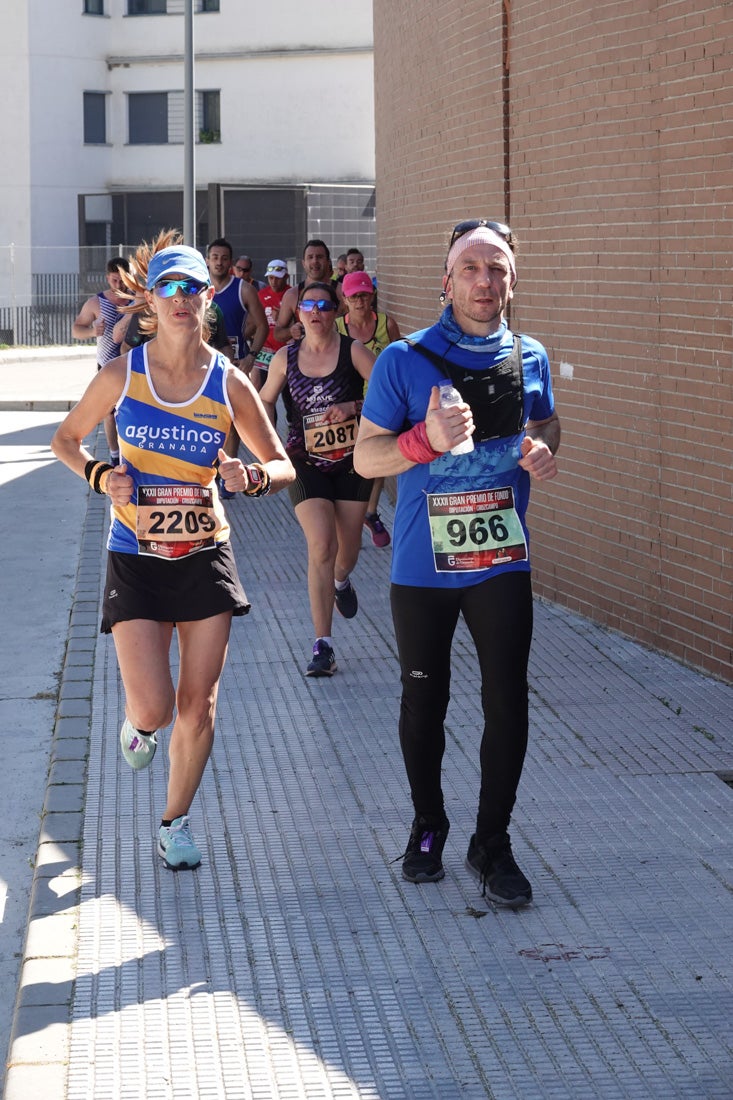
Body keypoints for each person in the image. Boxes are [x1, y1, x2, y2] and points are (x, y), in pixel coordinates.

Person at [51, 233, 295, 872]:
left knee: (200, 702)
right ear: (151, 301)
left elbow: (280, 462)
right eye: (170, 288)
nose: (182, 298)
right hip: (135, 550)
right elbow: (66, 441)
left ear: (208, 296)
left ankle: (175, 822)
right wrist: (103, 477)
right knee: (155, 707)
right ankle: (137, 726)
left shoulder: (229, 379)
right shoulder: (121, 374)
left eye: (193, 287)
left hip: (205, 553)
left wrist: (255, 477)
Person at [354, 219, 561, 907]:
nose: (484, 280)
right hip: (422, 568)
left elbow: (545, 421)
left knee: (506, 702)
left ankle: (491, 842)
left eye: (496, 268)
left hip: (500, 562)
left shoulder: (528, 354)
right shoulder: (403, 360)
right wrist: (422, 440)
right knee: (423, 700)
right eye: (470, 268)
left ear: (512, 279)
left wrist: (538, 446)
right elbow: (365, 457)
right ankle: (427, 825)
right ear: (447, 281)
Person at [259, 281, 376, 677]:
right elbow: (264, 402)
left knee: (347, 553)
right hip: (304, 461)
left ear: (336, 310)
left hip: (353, 462)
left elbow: (389, 394)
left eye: (324, 305)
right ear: (299, 313)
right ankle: (323, 644)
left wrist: (353, 405)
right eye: (308, 305)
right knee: (321, 545)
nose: (315, 312)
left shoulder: (354, 352)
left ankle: (341, 581)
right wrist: (269, 445)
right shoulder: (284, 358)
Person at [337, 270, 402, 548]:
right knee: (347, 463)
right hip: (345, 403)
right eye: (354, 297)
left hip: (380, 401)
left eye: (364, 295)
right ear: (345, 299)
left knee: (379, 462)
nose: (361, 301)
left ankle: (371, 512)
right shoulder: (337, 326)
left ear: (372, 295)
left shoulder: (386, 324)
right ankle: (346, 519)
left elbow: (401, 358)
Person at [206, 237, 269, 496]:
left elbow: (263, 325)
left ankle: (226, 475)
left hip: (233, 363)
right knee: (207, 418)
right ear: (208, 260)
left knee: (230, 420)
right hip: (203, 364)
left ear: (230, 262)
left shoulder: (243, 289)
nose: (219, 262)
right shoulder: (198, 287)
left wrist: (252, 356)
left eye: (224, 258)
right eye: (215, 257)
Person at [71, 256, 130, 463]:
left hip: (132, 362)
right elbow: (76, 330)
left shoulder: (138, 301)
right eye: (115, 280)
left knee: (130, 410)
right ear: (107, 278)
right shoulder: (96, 302)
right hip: (106, 364)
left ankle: (131, 455)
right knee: (109, 412)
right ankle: (114, 455)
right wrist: (92, 331)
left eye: (123, 280)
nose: (119, 285)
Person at [273, 240, 333, 345]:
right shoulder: (292, 295)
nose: (315, 261)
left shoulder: (342, 292)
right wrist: (291, 331)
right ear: (303, 263)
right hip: (305, 356)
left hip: (336, 355)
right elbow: (277, 333)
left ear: (328, 262)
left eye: (319, 257)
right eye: (310, 257)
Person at [252, 259, 290, 392]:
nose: (274, 282)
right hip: (265, 350)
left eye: (278, 278)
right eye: (271, 278)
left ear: (286, 277)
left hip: (286, 350)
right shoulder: (261, 295)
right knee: (262, 390)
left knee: (288, 394)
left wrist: (282, 319)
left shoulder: (291, 294)